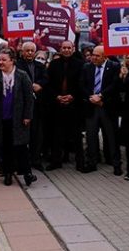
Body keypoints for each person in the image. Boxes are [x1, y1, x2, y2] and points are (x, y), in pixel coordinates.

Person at [0, 49, 36, 186]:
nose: (0, 62)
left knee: (21, 146)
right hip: (1, 118)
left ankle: (27, 174)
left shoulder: (22, 75)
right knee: (6, 147)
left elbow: (29, 98)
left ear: (12, 60)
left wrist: (27, 115)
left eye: (3, 60)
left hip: (18, 118)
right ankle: (8, 174)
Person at [81, 46, 122, 175]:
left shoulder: (115, 66)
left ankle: (116, 164)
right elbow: (82, 84)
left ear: (105, 56)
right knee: (91, 137)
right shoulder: (87, 67)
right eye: (93, 54)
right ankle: (92, 162)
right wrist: (91, 97)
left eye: (97, 56)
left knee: (112, 137)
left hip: (107, 106)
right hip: (91, 107)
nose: (94, 57)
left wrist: (101, 96)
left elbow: (115, 85)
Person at [45, 40, 85, 171]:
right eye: (64, 48)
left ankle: (80, 163)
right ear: (60, 49)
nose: (67, 50)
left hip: (74, 105)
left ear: (73, 49)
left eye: (69, 48)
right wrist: (56, 96)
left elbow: (82, 84)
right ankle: (56, 161)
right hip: (57, 104)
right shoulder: (54, 64)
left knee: (77, 136)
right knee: (57, 135)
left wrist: (72, 96)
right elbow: (48, 84)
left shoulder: (80, 64)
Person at [16, 42, 48, 171]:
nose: (29, 53)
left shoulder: (40, 66)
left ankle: (36, 160)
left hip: (38, 106)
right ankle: (22, 162)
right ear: (22, 52)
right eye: (27, 50)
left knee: (37, 134)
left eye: (31, 51)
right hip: (22, 106)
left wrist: (40, 85)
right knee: (23, 135)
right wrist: (30, 87)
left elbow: (46, 79)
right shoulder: (17, 65)